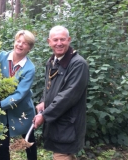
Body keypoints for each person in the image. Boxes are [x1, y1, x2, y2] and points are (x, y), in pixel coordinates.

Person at [33, 25, 89, 160]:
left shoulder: (78, 64)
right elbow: (49, 87)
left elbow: (68, 96)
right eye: (55, 40)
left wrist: (45, 115)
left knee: (62, 154)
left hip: (68, 123)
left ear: (69, 40)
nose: (59, 43)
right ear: (49, 42)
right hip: (57, 122)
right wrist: (43, 101)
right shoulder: (52, 61)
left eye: (62, 39)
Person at [0, 30, 37, 160]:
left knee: (29, 142)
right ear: (14, 42)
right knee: (2, 144)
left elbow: (20, 94)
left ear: (29, 48)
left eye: (25, 43)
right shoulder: (0, 57)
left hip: (21, 111)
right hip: (1, 112)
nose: (20, 45)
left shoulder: (29, 68)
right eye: (18, 41)